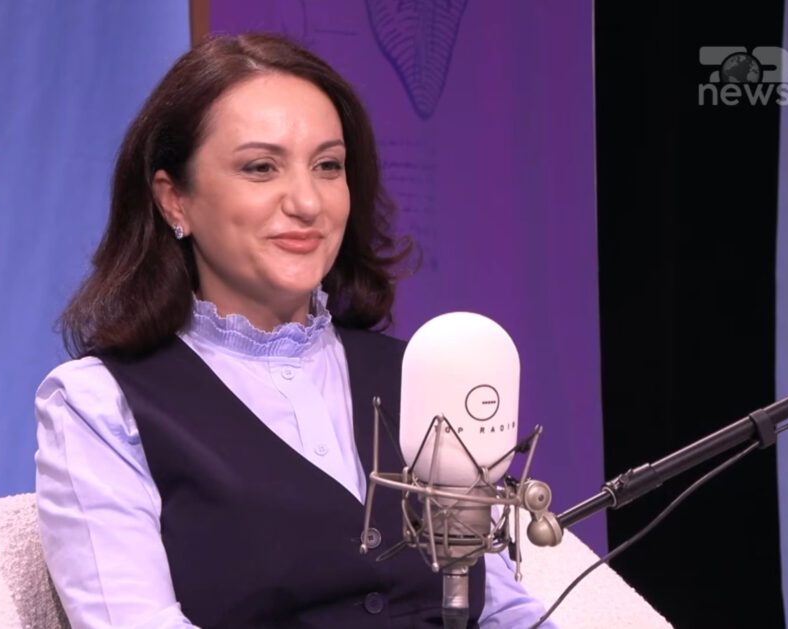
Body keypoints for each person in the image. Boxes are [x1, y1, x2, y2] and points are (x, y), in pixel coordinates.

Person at [35, 32, 555, 628]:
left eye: (328, 166)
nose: (308, 202)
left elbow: (503, 608)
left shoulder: (420, 379)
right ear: (175, 199)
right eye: (261, 168)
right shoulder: (100, 406)